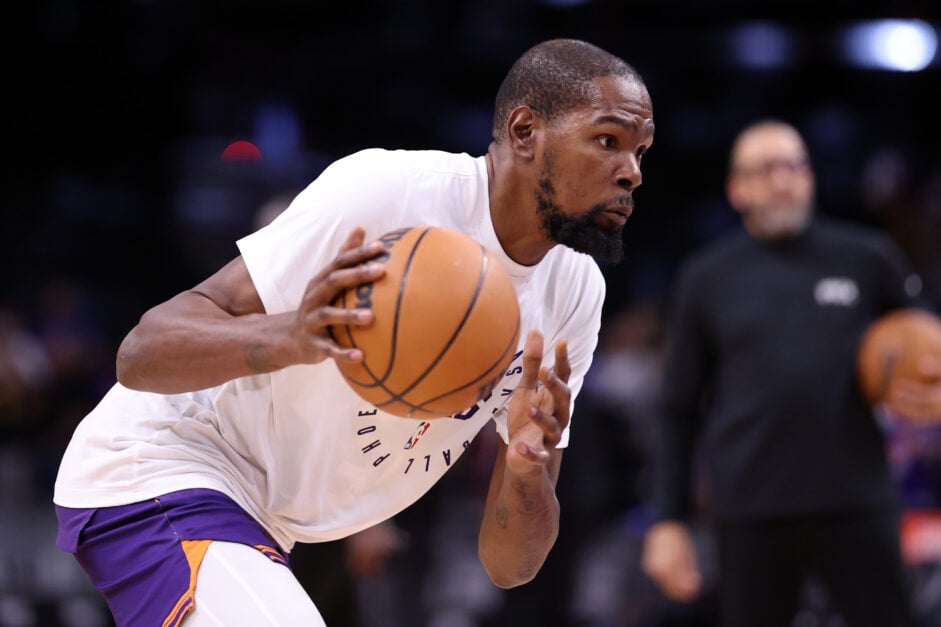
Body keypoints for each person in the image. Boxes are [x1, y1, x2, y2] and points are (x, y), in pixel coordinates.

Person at [52, 38, 655, 626]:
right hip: (161, 466)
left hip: (267, 523)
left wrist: (526, 466)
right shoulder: (390, 194)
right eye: (608, 141)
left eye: (641, 152)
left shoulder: (575, 292)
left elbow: (508, 565)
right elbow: (141, 353)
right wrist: (292, 335)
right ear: (524, 132)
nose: (631, 173)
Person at [641, 119, 941, 627]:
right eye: (763, 170)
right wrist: (668, 520)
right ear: (736, 189)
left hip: (855, 498)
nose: (780, 180)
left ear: (810, 177)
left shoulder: (868, 258)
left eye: (792, 165)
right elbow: (677, 408)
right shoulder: (706, 277)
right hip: (750, 507)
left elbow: (926, 341)